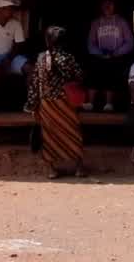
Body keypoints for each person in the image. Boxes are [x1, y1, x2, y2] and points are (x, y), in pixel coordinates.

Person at [25, 26, 87, 179]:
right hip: (66, 103)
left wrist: (32, 105)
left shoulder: (40, 58)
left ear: (47, 41)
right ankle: (79, 168)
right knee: (73, 134)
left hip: (47, 104)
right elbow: (80, 76)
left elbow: (35, 82)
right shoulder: (69, 58)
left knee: (49, 137)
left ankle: (52, 170)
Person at [84, 0, 134, 112]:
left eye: (110, 4)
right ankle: (90, 103)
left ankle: (109, 103)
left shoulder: (122, 22)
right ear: (101, 6)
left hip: (116, 56)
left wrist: (116, 53)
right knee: (93, 70)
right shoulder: (96, 23)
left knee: (112, 71)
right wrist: (100, 53)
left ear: (115, 6)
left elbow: (130, 42)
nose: (107, 6)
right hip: (100, 55)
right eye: (105, 4)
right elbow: (90, 43)